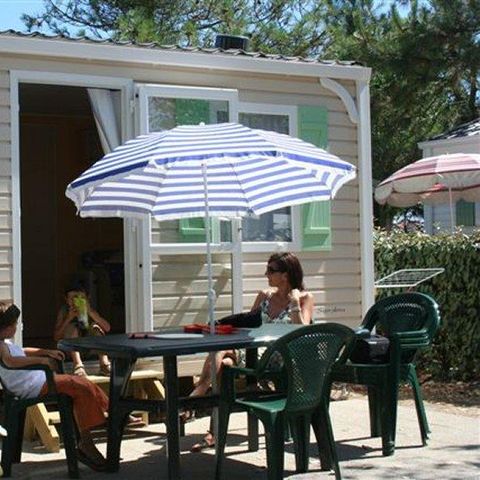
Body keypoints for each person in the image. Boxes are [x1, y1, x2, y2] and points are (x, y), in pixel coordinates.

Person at [186, 251, 314, 452]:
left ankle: (199, 403)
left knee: (225, 364)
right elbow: (247, 327)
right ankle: (205, 403)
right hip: (252, 352)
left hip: (280, 356)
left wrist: (295, 304)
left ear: (285, 274)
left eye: (271, 270)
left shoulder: (305, 298)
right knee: (223, 360)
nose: (266, 274)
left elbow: (302, 332)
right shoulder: (265, 296)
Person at [0, 301, 109, 472]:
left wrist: (45, 351)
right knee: (79, 384)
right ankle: (93, 435)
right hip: (35, 386)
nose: (16, 327)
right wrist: (42, 360)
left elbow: (21, 351)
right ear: (5, 327)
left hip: (38, 381)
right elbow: (10, 361)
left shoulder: (4, 343)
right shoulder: (0, 346)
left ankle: (106, 414)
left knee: (82, 385)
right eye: (14, 324)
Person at [54, 284, 111, 376]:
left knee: (96, 328)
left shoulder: (91, 310)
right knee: (72, 328)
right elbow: (56, 337)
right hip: (71, 350)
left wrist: (90, 313)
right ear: (66, 299)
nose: (76, 301)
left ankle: (104, 364)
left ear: (87, 299)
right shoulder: (64, 311)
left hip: (89, 348)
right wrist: (68, 318)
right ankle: (78, 365)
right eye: (72, 299)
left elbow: (107, 328)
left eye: (81, 298)